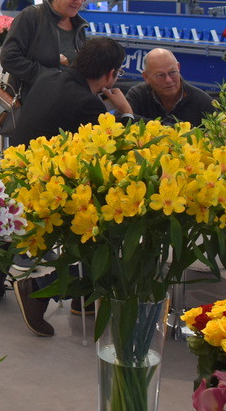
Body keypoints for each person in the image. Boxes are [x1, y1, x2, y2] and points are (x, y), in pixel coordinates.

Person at [12, 37, 136, 336]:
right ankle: (39, 289)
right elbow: (111, 151)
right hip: (45, 189)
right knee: (104, 229)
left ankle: (83, 299)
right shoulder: (86, 102)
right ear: (111, 75)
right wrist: (126, 112)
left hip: (17, 174)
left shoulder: (47, 77)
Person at [0, 0, 90, 106]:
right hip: (31, 106)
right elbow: (9, 58)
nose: (79, 1)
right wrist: (52, 78)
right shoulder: (32, 17)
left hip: (66, 105)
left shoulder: (79, 26)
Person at [126, 48, 216, 126]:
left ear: (178, 68)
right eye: (160, 75)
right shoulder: (137, 95)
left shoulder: (203, 103)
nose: (168, 80)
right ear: (146, 77)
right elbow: (125, 118)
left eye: (172, 72)